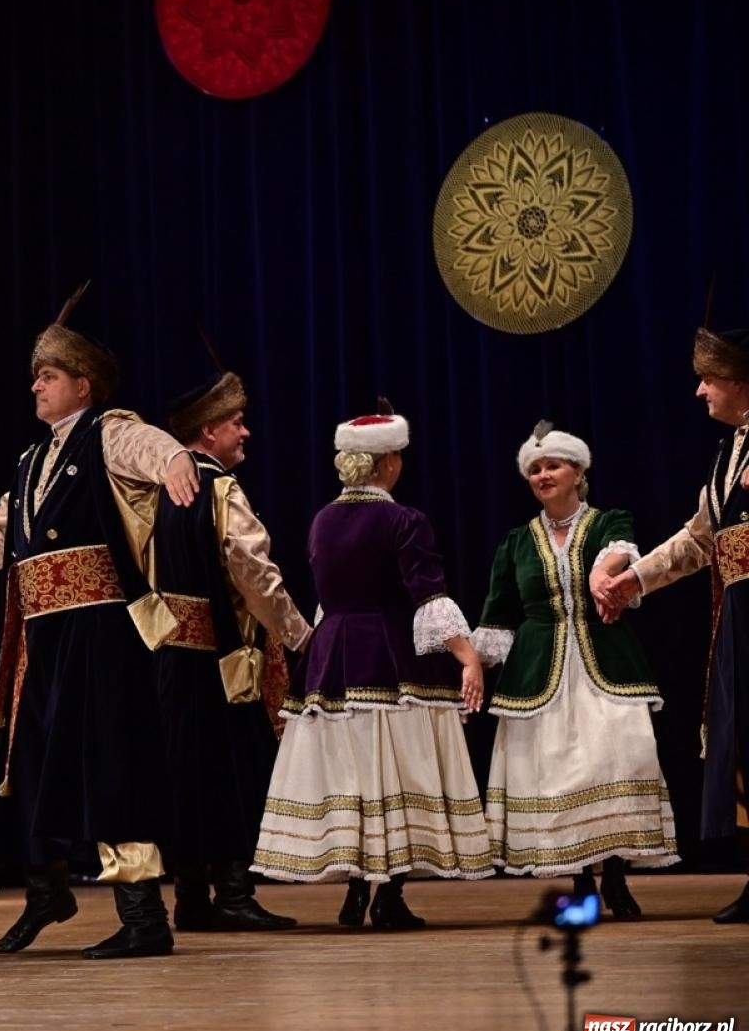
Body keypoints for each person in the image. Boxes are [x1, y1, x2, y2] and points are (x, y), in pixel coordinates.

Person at [0, 282, 200, 960]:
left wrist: (174, 460)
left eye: (47, 377)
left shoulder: (107, 433)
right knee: (28, 766)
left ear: (83, 384)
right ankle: (47, 887)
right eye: (34, 379)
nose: (36, 389)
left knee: (115, 770)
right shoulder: (31, 461)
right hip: (43, 641)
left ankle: (144, 917)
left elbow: (148, 444)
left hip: (103, 636)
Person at [250, 408, 493, 928]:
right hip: (388, 654)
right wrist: (466, 655)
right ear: (387, 463)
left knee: (352, 770)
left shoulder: (322, 519)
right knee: (398, 767)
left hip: (332, 654)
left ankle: (357, 891)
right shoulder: (404, 520)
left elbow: (323, 598)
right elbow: (427, 595)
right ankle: (389, 896)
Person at [472, 424, 677, 919]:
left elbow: (620, 552)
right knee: (559, 773)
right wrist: (473, 667)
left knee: (615, 760)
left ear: (578, 471)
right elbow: (498, 614)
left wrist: (603, 574)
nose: (543, 475)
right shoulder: (517, 542)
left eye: (553, 466)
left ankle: (616, 876)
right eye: (535, 469)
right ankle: (581, 879)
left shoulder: (608, 521)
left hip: (604, 659)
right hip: (540, 668)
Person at [595, 325, 749, 923]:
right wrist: (633, 580)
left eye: (708, 380)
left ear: (738, 381)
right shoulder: (726, 452)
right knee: (743, 742)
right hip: (738, 614)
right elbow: (697, 540)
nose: (699, 392)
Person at [155, 368, 312, 932]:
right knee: (234, 772)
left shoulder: (155, 491)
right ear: (208, 431)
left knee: (185, 774)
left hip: (168, 657)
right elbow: (254, 575)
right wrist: (301, 639)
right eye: (236, 424)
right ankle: (234, 893)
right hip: (224, 658)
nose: (245, 433)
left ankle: (191, 896)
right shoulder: (220, 489)